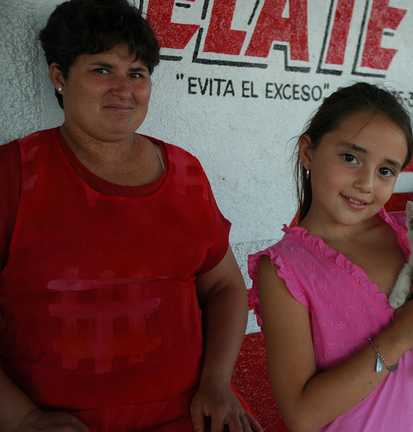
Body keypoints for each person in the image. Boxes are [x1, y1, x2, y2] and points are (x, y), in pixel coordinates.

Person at [0, 1, 261, 431]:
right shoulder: (16, 174)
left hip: (190, 416)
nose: (124, 89)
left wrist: (217, 384)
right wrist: (23, 417)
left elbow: (225, 286)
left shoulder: (185, 173)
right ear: (59, 77)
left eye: (137, 74)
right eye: (102, 70)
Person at [248, 82, 413, 432]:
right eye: (350, 158)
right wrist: (399, 337)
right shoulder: (285, 270)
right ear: (308, 152)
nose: (366, 183)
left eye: (386, 170)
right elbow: (301, 415)